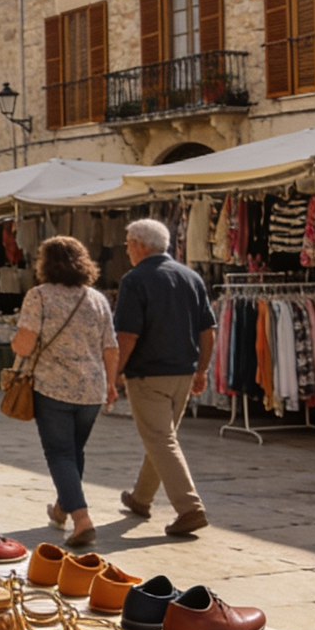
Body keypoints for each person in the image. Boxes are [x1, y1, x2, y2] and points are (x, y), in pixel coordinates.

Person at [11, 236, 119, 548]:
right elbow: (110, 348)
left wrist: (15, 343)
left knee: (59, 453)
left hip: (53, 387)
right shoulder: (97, 299)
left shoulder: (39, 296)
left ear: (45, 263)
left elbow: (25, 344)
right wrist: (111, 384)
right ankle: (61, 509)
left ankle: (82, 518)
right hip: (91, 390)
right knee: (74, 452)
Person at [112, 218, 216, 537]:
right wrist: (202, 370)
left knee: (160, 439)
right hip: (182, 373)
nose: (127, 248)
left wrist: (114, 372)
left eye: (129, 243)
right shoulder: (191, 277)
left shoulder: (135, 279)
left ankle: (189, 507)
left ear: (142, 245)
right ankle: (141, 498)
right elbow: (208, 331)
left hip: (149, 373)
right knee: (160, 437)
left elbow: (127, 335)